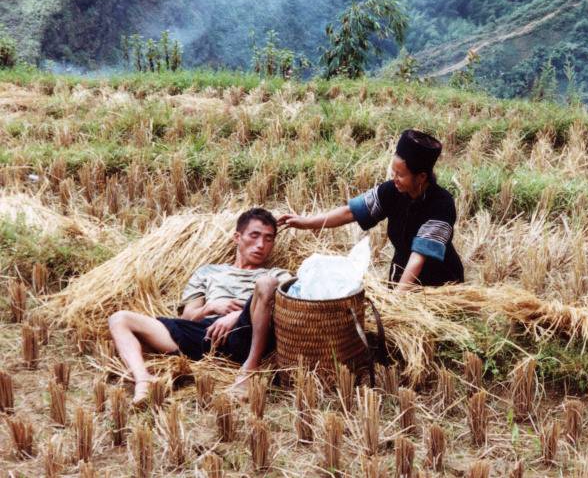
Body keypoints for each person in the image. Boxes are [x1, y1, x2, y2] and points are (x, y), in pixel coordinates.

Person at [108, 208, 291, 404]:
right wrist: (210, 307)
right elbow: (188, 317)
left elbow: (286, 311)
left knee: (266, 283)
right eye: (254, 236)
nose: (261, 244)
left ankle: (249, 370)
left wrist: (237, 315)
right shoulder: (208, 272)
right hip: (204, 333)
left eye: (269, 238)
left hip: (247, 332)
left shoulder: (277, 274)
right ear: (237, 237)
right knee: (119, 319)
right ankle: (144, 380)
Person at [278, 129, 464, 290]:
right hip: (401, 276)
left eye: (400, 174)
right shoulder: (392, 190)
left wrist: (397, 301)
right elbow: (350, 212)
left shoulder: (441, 203)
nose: (395, 178)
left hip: (439, 284)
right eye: (393, 172)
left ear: (421, 177)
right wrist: (305, 222)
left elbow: (418, 259)